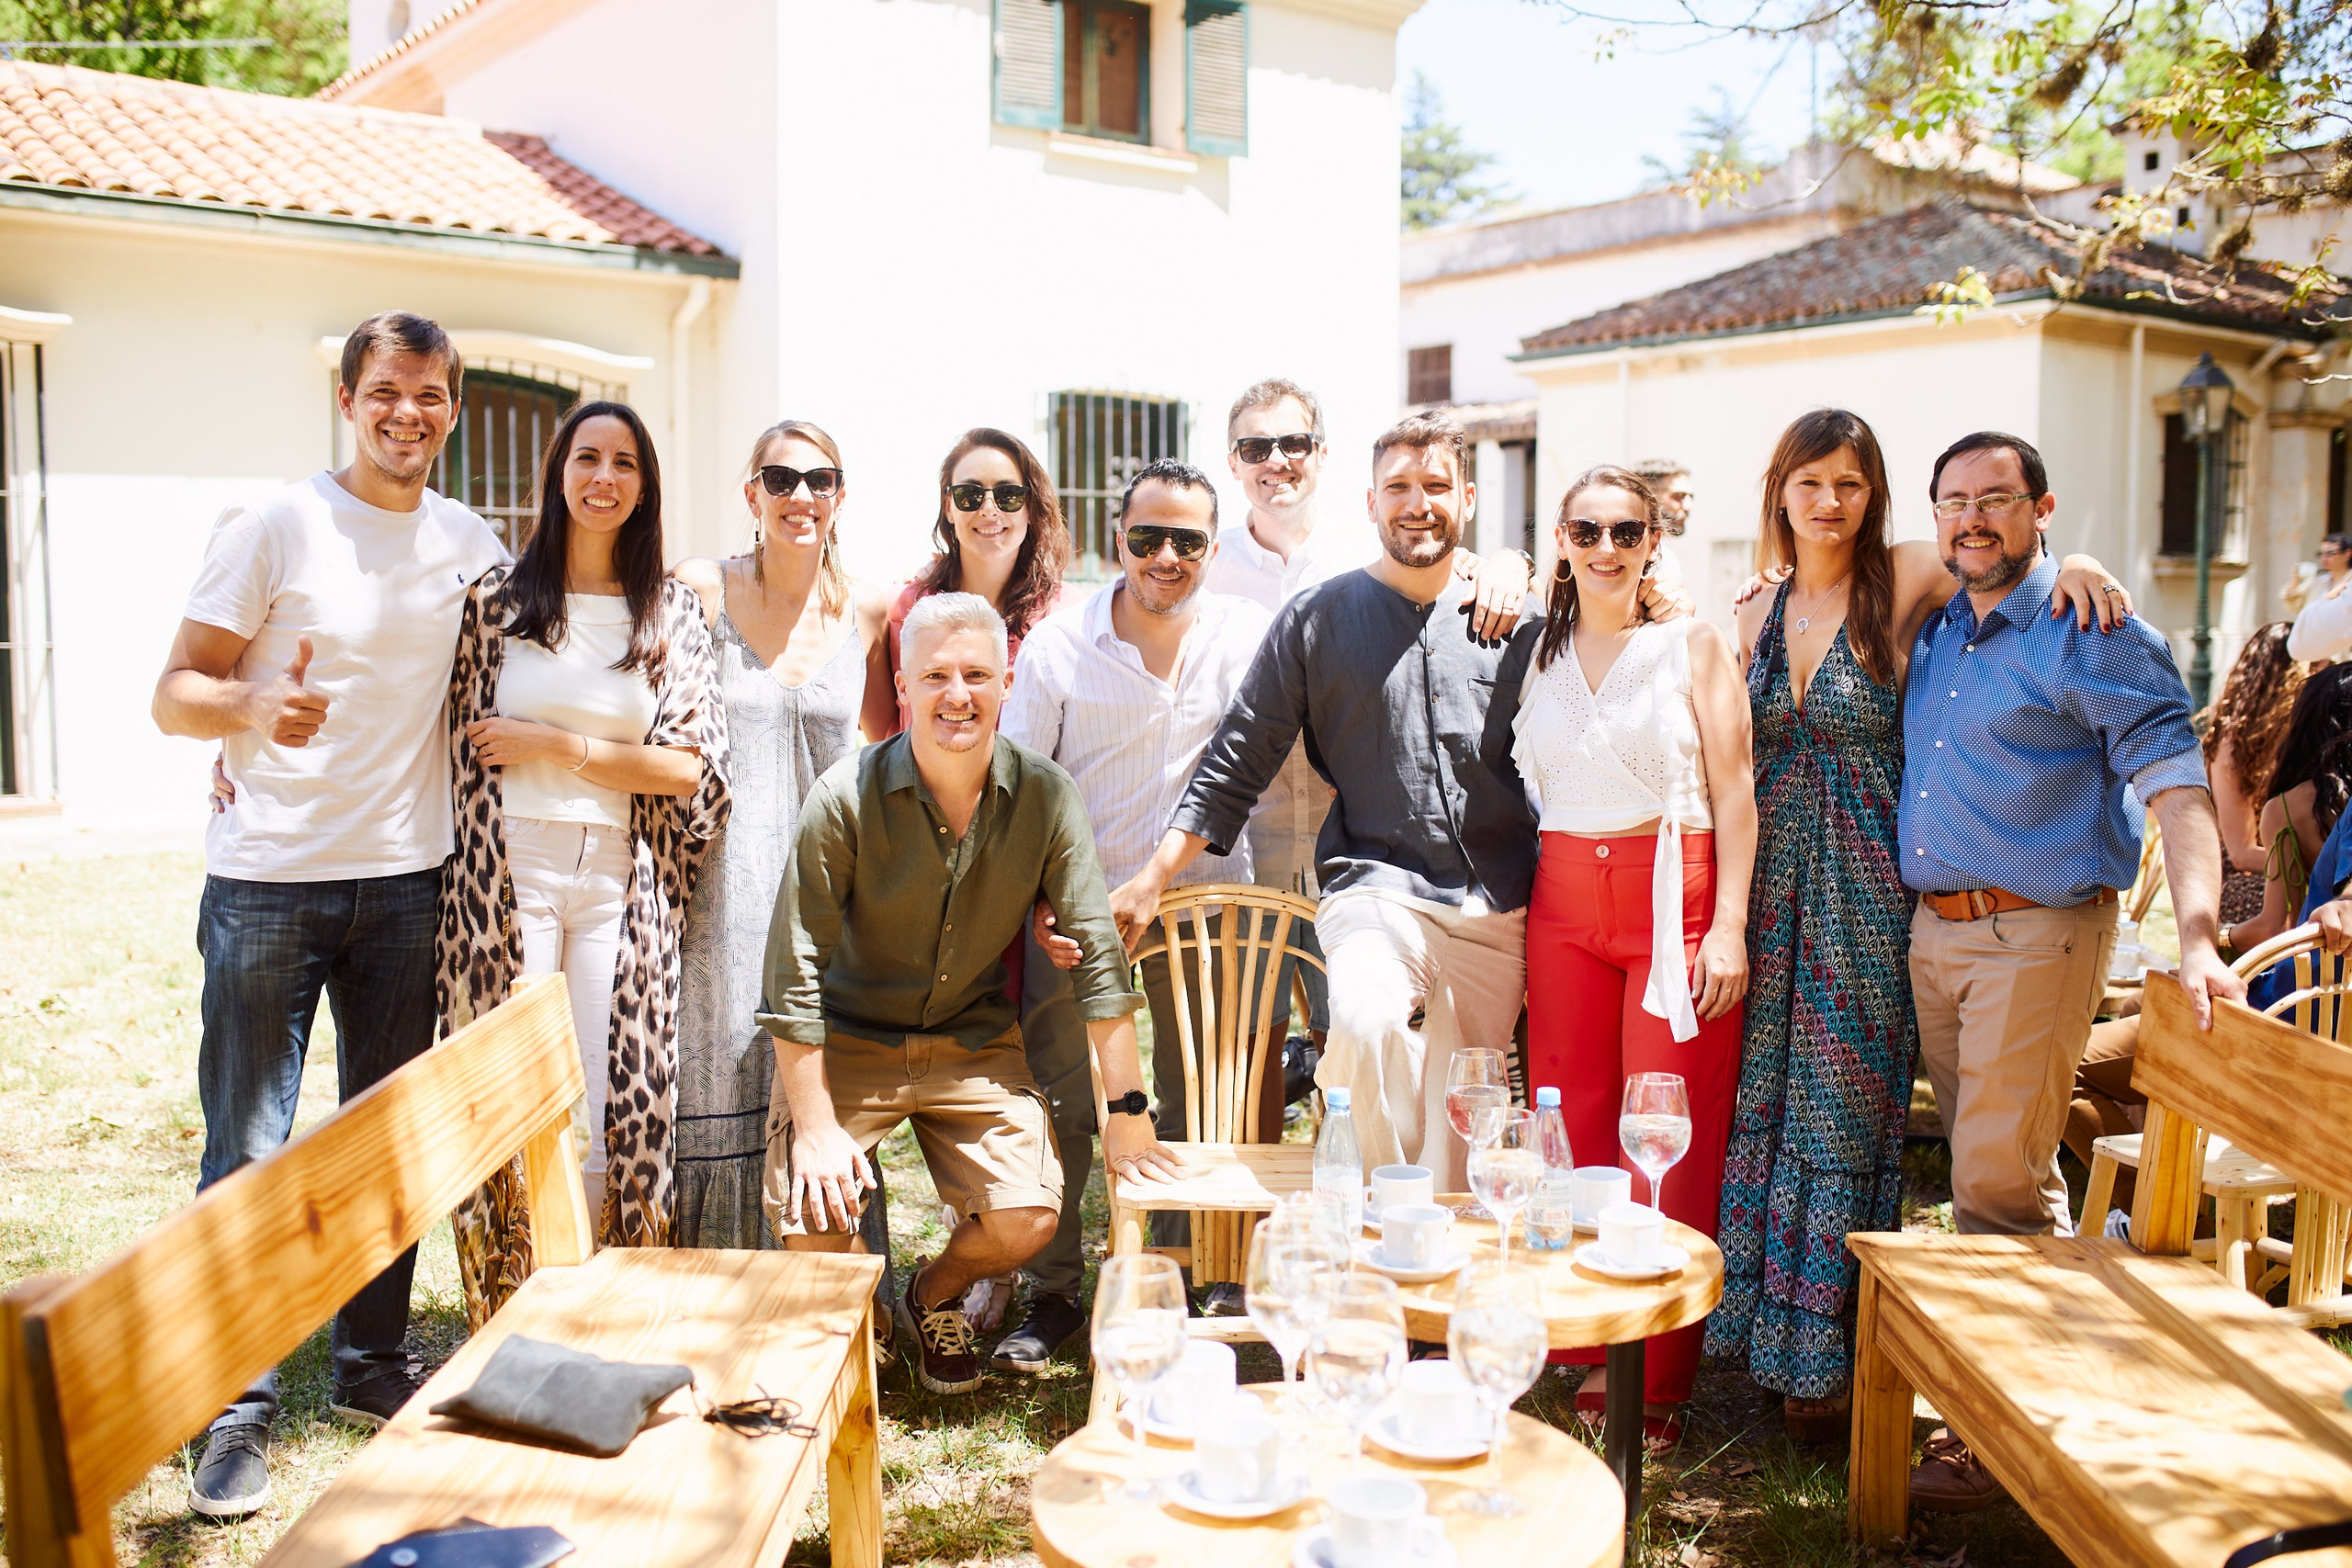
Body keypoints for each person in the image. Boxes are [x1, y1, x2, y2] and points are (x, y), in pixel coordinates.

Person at [1710, 409, 2131, 1443]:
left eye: (1849, 482)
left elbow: (2003, 574)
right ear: (1778, 492)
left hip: (1864, 894)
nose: (1828, 502)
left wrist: (2077, 553)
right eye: (1808, 482)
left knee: (1845, 1115)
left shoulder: (1899, 578)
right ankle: (1769, 1345)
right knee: (1765, 1111)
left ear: (1874, 494)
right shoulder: (1754, 610)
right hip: (1771, 898)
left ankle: (1837, 1365)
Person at [151, 312, 507, 1518]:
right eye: (388, 391)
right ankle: (234, 1409)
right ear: (349, 400)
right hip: (267, 880)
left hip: (411, 879)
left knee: (386, 1137)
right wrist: (249, 704)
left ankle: (368, 1362)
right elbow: (174, 690)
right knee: (246, 1148)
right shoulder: (275, 525)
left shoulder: (468, 542)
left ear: (454, 407)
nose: (410, 412)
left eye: (432, 394)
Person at [1898, 430, 2242, 1512]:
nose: (1972, 520)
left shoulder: (2093, 631)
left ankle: (1983, 1441)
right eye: (1954, 502)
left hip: (2037, 935)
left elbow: (2176, 787)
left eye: (1996, 500)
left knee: (1992, 1191)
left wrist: (2196, 934)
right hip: (1938, 935)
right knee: (1996, 1168)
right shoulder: (1941, 627)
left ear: (2041, 509)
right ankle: (2039, 1395)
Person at [758, 593, 1181, 1396]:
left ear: (1007, 682)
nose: (959, 693)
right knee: (811, 1217)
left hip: (972, 1040)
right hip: (852, 1037)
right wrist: (812, 1127)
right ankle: (870, 1324)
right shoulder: (843, 798)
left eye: (978, 674)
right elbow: (793, 971)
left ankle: (932, 1293)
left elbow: (1096, 958)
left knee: (1029, 1217)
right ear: (905, 684)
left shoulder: (1048, 796)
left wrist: (1127, 1113)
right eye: (938, 675)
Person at [1114, 412, 1546, 1192]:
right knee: (1364, 1017)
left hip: (1499, 905)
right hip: (1378, 889)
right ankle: (1377, 1226)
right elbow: (1237, 757)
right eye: (1399, 488)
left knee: (1466, 1105)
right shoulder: (1317, 619)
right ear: (1371, 502)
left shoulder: (1518, 620)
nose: (1418, 504)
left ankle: (1432, 1285)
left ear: (1470, 499)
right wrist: (1153, 876)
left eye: (1436, 486)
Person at [435, 400, 728, 1319]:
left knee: (617, 1105)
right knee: (516, 1096)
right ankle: (512, 1308)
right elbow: (440, 735)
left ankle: (601, 1301)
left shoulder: (670, 611)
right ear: (559, 473)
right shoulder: (496, 602)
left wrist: (552, 744)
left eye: (625, 464)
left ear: (644, 487)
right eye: (587, 458)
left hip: (618, 874)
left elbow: (689, 768)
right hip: (506, 873)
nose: (605, 478)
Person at [996, 459, 1273, 1370]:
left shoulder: (1247, 637)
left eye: (1186, 541)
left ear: (1212, 548)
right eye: (1146, 537)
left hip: (1203, 908)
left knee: (1204, 1106)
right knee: (1067, 1108)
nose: (1164, 556)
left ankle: (1197, 1283)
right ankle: (1056, 1294)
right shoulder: (1058, 646)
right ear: (1115, 538)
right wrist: (1041, 902)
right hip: (1077, 916)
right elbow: (1018, 790)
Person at [1509, 464, 1756, 1450]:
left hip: (1675, 890)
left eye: (1625, 529)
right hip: (1562, 897)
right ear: (1561, 539)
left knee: (1664, 1126)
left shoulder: (1690, 645)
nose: (1605, 547)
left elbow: (1736, 794)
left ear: (1654, 539)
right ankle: (1577, 1340)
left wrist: (1728, 924)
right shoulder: (1536, 648)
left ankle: (1655, 1372)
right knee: (1567, 1119)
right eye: (1586, 529)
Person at [1210, 381, 1534, 1083]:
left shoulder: (1370, 562)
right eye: (1256, 445)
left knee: (1446, 1075)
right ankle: (1343, 1173)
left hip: (1421, 856)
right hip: (1281, 843)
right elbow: (1237, 744)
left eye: (1292, 442)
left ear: (1319, 455)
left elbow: (1440, 568)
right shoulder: (1204, 567)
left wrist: (1514, 561)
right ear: (1233, 460)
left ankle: (1380, 1166)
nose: (1276, 459)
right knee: (1266, 1042)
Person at [671, 423, 893, 1255]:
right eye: (780, 477)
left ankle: (826, 1280)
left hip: (828, 892)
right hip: (719, 889)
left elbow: (881, 741)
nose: (801, 495)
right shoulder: (701, 587)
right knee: (722, 1071)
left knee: (817, 1080)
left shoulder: (867, 607)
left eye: (820, 479)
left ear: (840, 495)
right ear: (751, 492)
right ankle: (716, 1282)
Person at [875, 428, 1073, 737]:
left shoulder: (1067, 616)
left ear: (1031, 508)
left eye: (1009, 496)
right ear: (948, 507)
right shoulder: (899, 609)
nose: (989, 510)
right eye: (970, 495)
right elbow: (885, 737)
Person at [2231, 664, 2352, 978]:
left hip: (2311, 988)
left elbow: (2273, 927)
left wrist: (2219, 938)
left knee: (2141, 1007)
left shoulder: (2286, 810)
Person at [2203, 624, 2309, 935]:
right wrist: (2308, 865)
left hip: (2277, 871)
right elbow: (2241, 853)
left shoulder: (2288, 739)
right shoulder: (2234, 744)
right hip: (2236, 881)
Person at [2286, 534, 2352, 661]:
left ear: (2347, 554)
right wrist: (2295, 580)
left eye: (2331, 553)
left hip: (2343, 658)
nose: (2325, 558)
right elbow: (2293, 605)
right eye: (2321, 554)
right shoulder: (2318, 581)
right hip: (2317, 656)